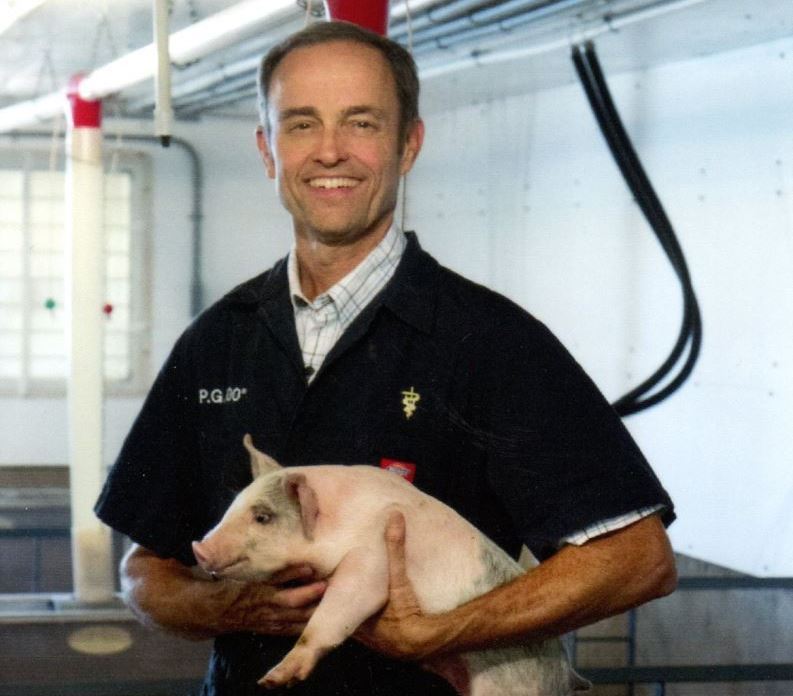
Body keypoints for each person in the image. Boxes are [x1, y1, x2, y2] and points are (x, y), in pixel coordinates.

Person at [95, 20, 677, 696]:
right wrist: (227, 605)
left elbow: (635, 558)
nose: (330, 152)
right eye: (302, 124)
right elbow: (144, 571)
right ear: (267, 150)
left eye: (362, 123)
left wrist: (441, 631)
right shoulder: (215, 342)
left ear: (408, 145)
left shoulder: (489, 342)